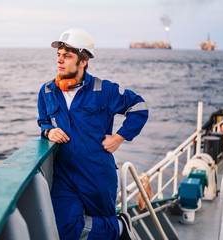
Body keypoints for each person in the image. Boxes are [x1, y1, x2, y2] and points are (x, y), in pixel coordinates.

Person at [37, 28, 148, 240]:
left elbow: (139, 107)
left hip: (98, 177)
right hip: (65, 177)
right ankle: (120, 226)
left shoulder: (104, 90)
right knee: (63, 230)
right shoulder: (47, 91)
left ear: (83, 61)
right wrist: (48, 131)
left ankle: (117, 226)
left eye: (67, 56)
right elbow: (43, 121)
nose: (60, 60)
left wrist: (119, 137)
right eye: (58, 55)